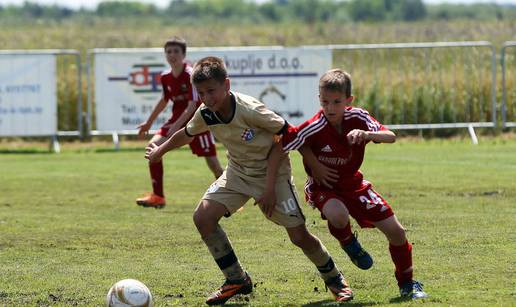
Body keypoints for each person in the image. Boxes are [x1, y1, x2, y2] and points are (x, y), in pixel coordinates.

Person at [146, 57, 354, 304]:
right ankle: (236, 279)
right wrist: (161, 150)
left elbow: (287, 136)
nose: (207, 98)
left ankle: (335, 280)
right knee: (203, 217)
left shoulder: (250, 110)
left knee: (299, 236)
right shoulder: (206, 113)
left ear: (227, 84)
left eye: (211, 91)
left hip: (273, 175)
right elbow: (187, 133)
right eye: (201, 93)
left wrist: (271, 188)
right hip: (237, 173)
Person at [281, 68, 428, 299]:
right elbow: (292, 140)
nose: (330, 108)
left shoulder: (358, 117)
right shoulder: (315, 125)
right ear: (319, 99)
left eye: (336, 102)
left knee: (397, 232)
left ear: (349, 100)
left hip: (354, 184)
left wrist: (367, 134)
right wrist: (315, 165)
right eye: (324, 101)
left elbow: (390, 136)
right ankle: (348, 241)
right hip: (324, 186)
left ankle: (407, 284)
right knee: (338, 215)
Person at [136, 37, 223, 209]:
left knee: (213, 164)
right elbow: (164, 100)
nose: (172, 55)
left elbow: (192, 106)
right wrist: (148, 122)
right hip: (176, 121)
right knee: (153, 148)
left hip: (198, 122)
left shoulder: (191, 75)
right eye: (169, 51)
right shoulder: (165, 77)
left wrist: (178, 127)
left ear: (183, 54)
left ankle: (230, 196)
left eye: (176, 51)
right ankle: (158, 196)